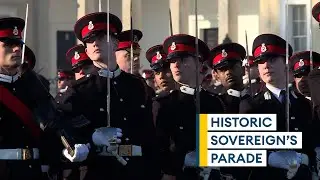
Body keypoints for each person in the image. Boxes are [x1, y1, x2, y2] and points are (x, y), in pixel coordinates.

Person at [63, 12, 160, 180]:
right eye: (89, 41)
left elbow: (150, 137)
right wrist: (92, 139)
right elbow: (65, 134)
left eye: (100, 38)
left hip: (136, 171)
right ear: (86, 50)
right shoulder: (79, 90)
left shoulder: (137, 86)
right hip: (99, 171)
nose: (95, 44)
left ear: (115, 43)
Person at [0, 17, 89, 180]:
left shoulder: (32, 85)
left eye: (19, 45)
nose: (17, 50)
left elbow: (52, 124)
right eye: (8, 45)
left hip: (32, 172)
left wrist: (68, 148)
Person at [240, 34, 315, 180]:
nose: (266, 66)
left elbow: (310, 142)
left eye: (272, 60)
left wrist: (305, 158)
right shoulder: (251, 105)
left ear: (286, 64)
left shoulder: (303, 104)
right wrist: (270, 157)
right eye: (261, 62)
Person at [156, 34, 224, 180]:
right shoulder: (164, 105)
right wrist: (181, 159)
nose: (176, 65)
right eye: (172, 60)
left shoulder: (214, 102)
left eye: (182, 59)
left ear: (199, 65)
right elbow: (155, 149)